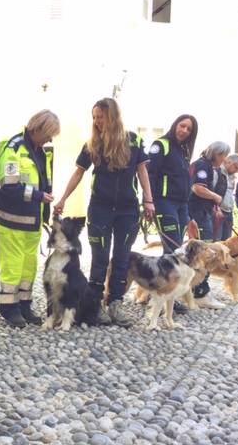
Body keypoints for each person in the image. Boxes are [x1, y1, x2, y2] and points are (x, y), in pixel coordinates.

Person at [54, 98, 155, 328]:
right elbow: (78, 173)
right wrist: (62, 199)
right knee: (99, 258)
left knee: (121, 257)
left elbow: (142, 172)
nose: (97, 122)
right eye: (94, 117)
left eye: (101, 117)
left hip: (128, 211)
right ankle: (95, 304)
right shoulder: (92, 145)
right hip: (100, 209)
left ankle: (115, 304)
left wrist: (149, 200)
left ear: (112, 116)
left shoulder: (134, 141)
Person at [0, 110, 60, 327]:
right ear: (38, 128)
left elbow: (43, 182)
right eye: (49, 134)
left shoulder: (40, 151)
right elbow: (8, 185)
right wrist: (39, 196)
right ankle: (9, 306)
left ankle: (24, 304)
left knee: (29, 264)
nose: (50, 139)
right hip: (11, 218)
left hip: (32, 220)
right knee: (12, 264)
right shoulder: (13, 147)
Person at [147, 114, 198, 315]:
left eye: (189, 129)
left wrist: (189, 215)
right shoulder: (161, 145)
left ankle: (166, 294)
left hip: (181, 205)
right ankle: (162, 294)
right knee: (173, 251)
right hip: (164, 203)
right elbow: (149, 174)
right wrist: (149, 201)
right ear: (175, 125)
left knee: (176, 250)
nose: (184, 130)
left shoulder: (183, 151)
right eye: (182, 126)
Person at [188, 141, 231, 309]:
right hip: (198, 214)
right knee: (204, 253)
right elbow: (198, 188)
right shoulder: (202, 166)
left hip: (203, 212)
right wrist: (216, 197)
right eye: (223, 156)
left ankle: (198, 291)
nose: (224, 160)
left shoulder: (206, 167)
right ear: (217, 154)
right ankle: (200, 293)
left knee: (201, 253)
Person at [214, 153, 238, 241]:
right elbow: (211, 191)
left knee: (227, 241)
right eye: (236, 167)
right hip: (218, 212)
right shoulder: (217, 172)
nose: (237, 170)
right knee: (217, 242)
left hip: (228, 212)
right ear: (228, 162)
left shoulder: (232, 176)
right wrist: (216, 208)